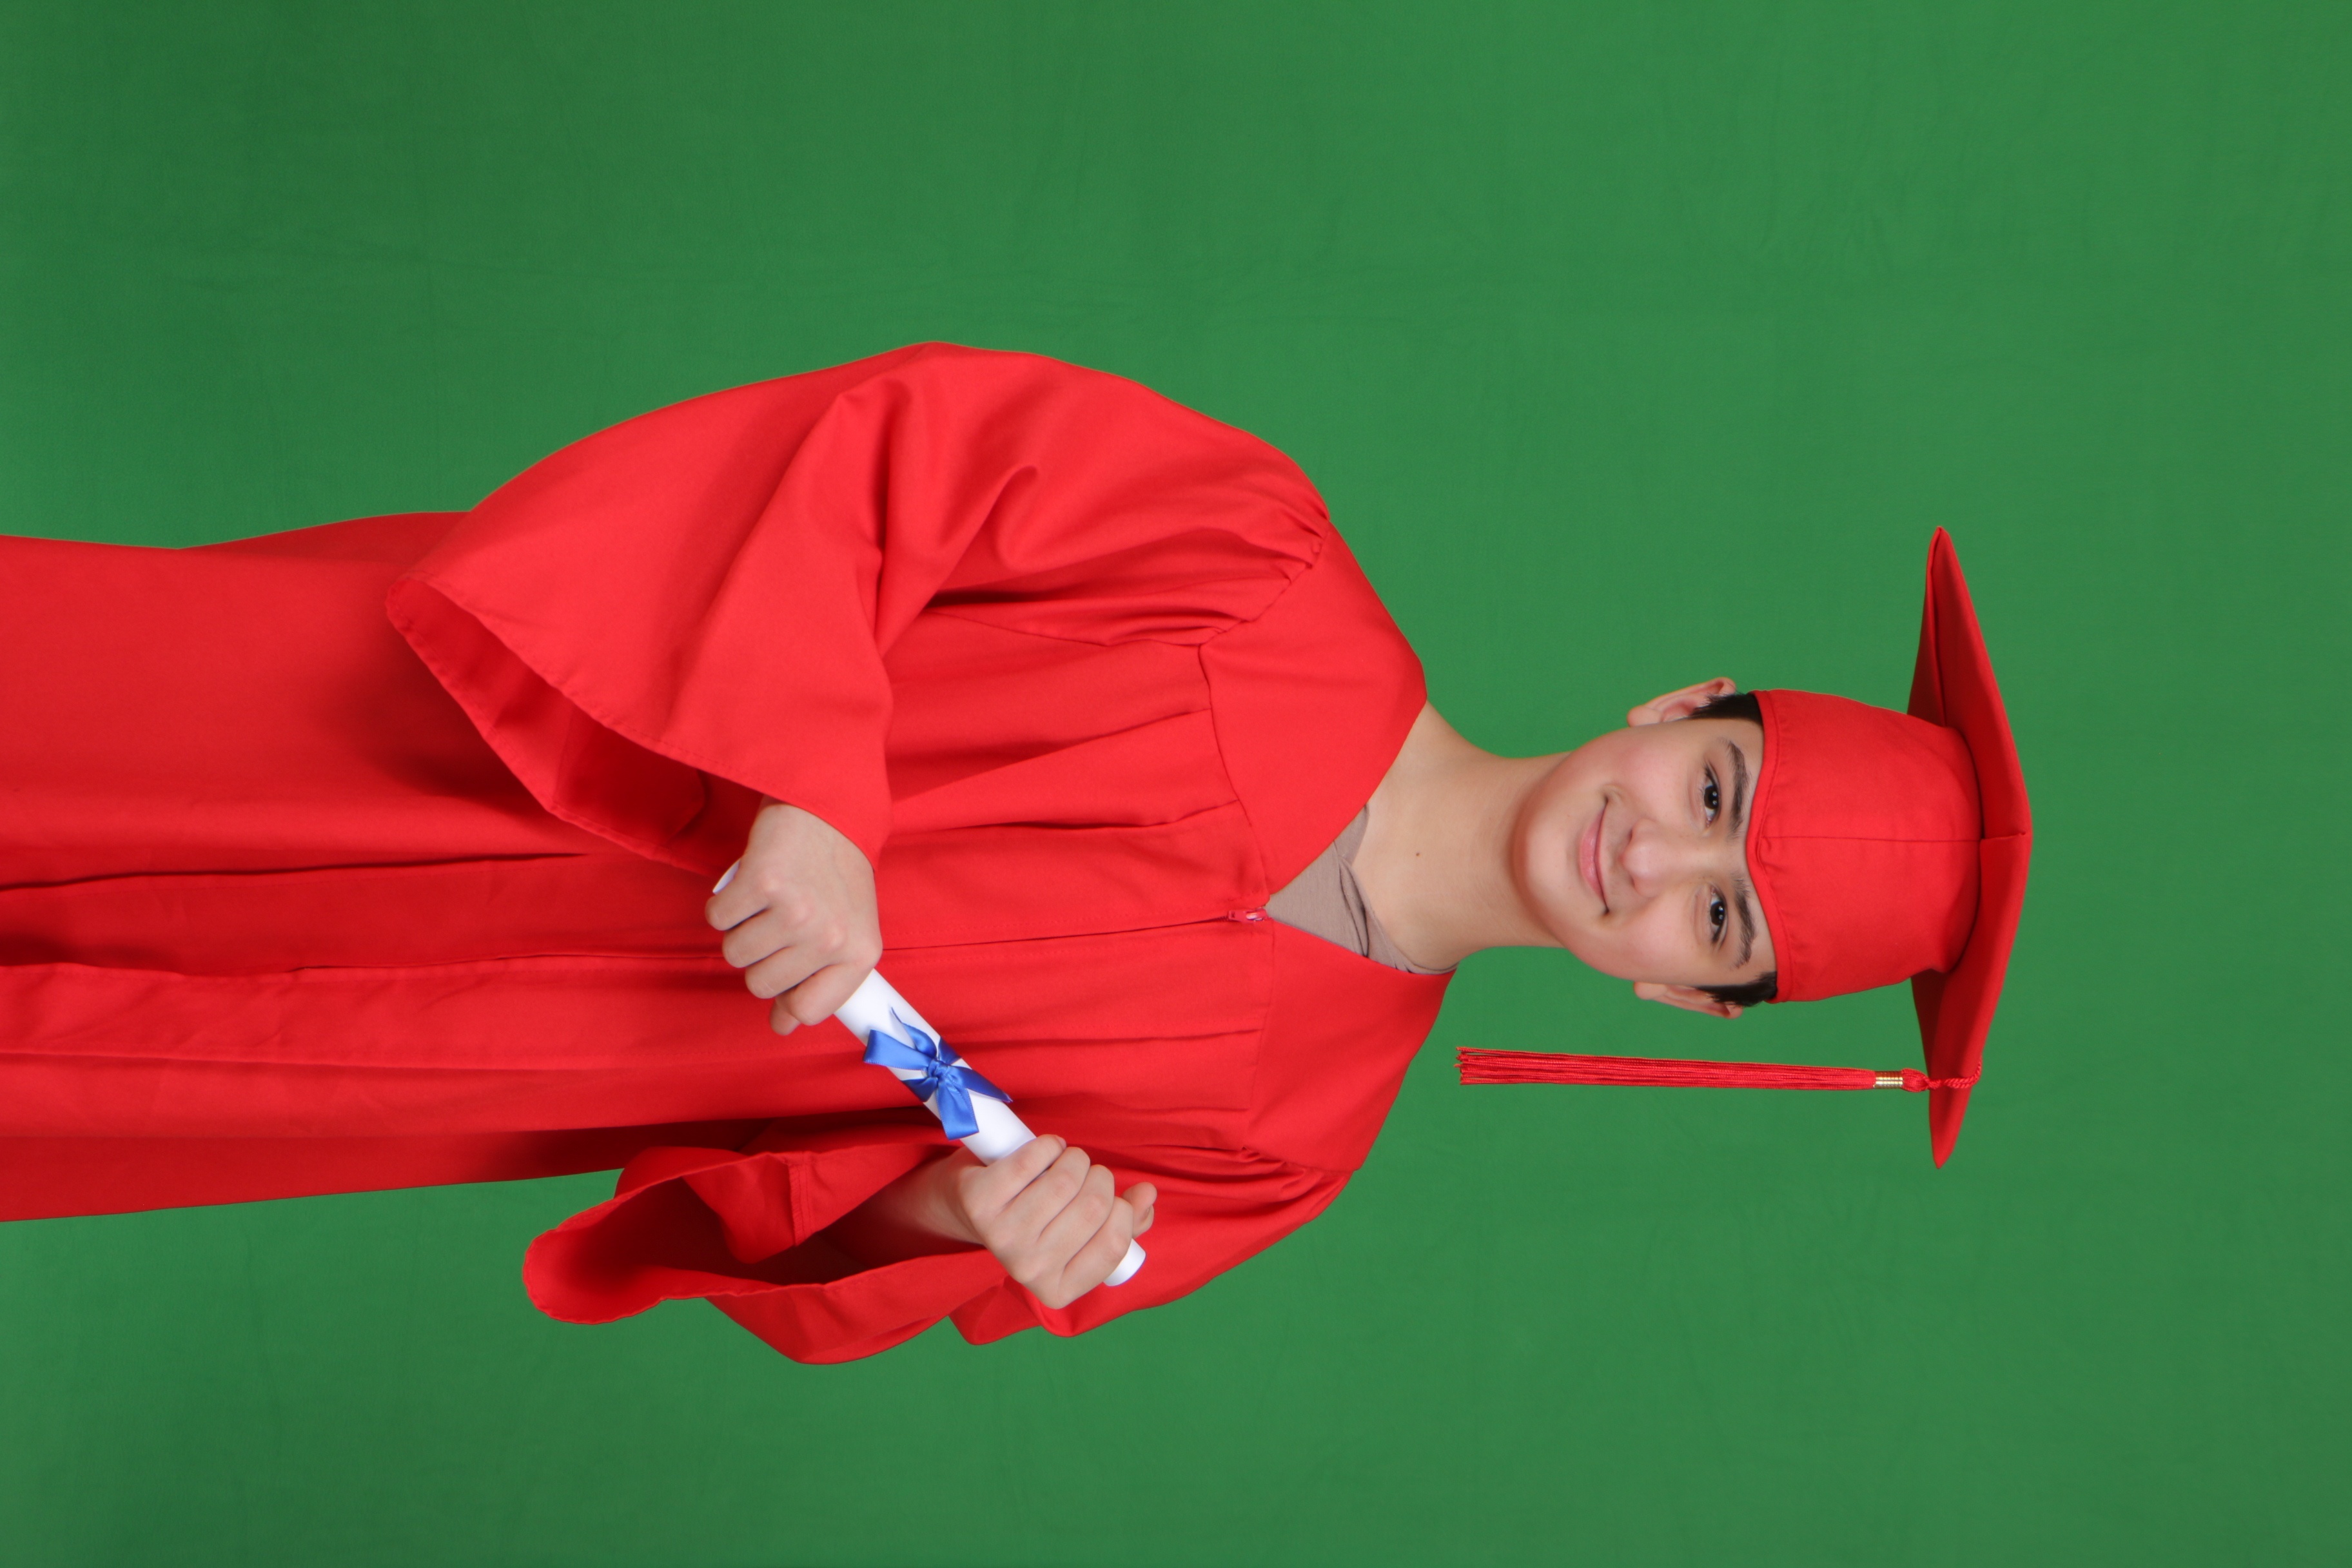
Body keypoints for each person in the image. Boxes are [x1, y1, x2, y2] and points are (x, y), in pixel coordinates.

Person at [0, 344, 2028, 1363]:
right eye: (1712, 795)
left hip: (483, 1041)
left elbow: (814, 1232)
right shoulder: (1262, 562)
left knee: (89, 1077)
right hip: (477, 749)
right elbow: (893, 450)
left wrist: (958, 1221)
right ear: (1680, 707)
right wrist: (813, 792)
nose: (1655, 860)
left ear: (1688, 1000)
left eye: (1720, 917)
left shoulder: (1286, 1143)